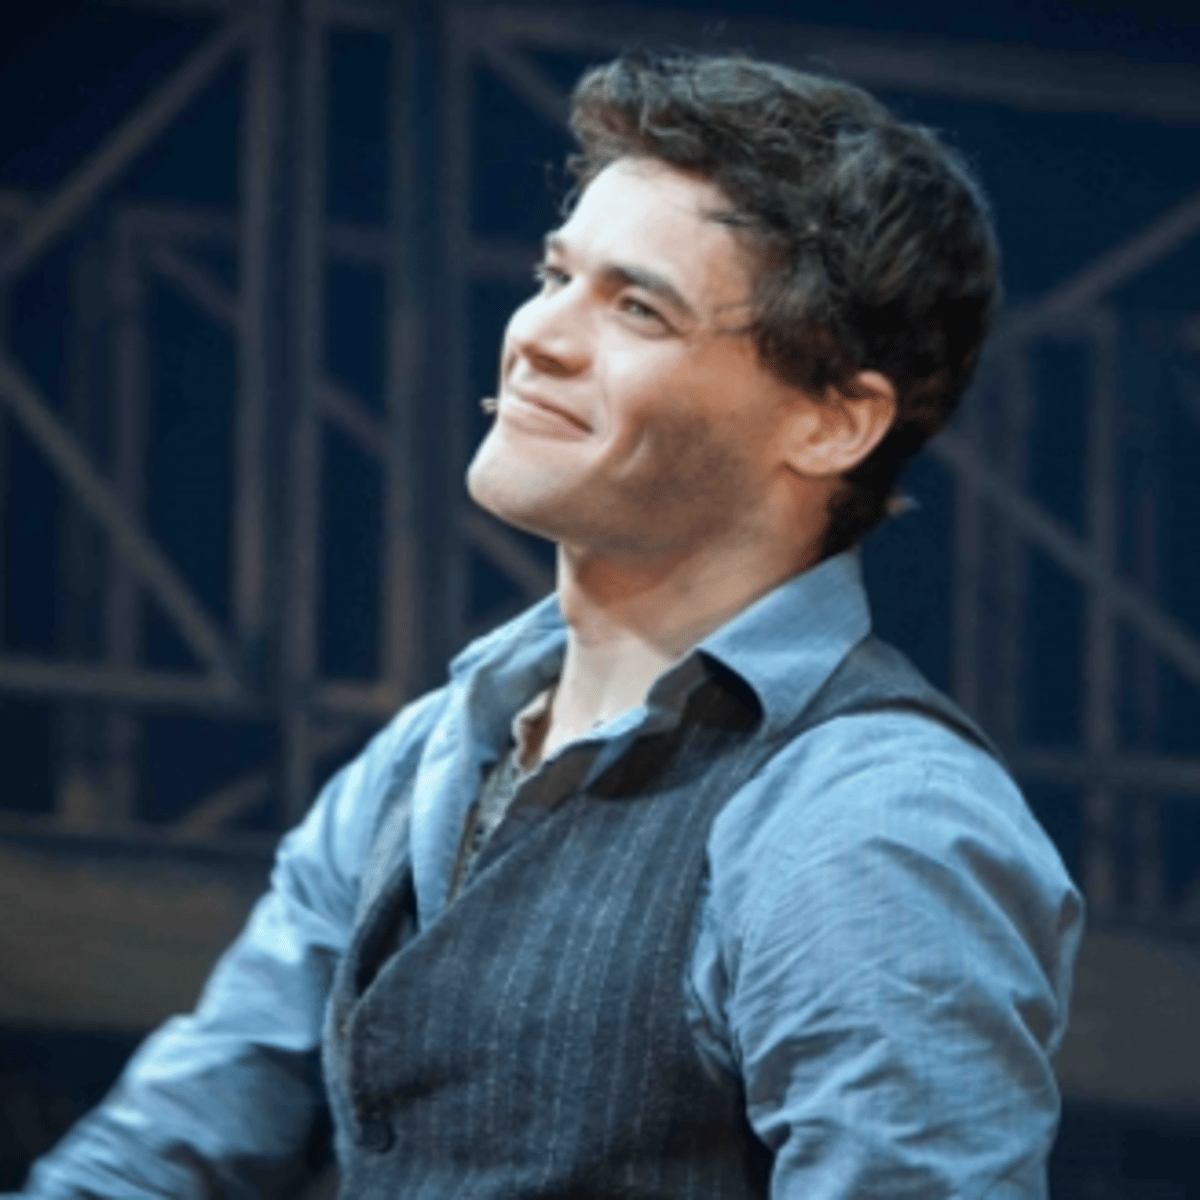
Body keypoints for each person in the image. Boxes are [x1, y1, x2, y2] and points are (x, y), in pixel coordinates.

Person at [16, 52, 1082, 1199]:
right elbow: (164, 1152)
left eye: (637, 308)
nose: (538, 335)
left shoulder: (872, 820)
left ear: (833, 423)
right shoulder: (430, 752)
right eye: (554, 274)